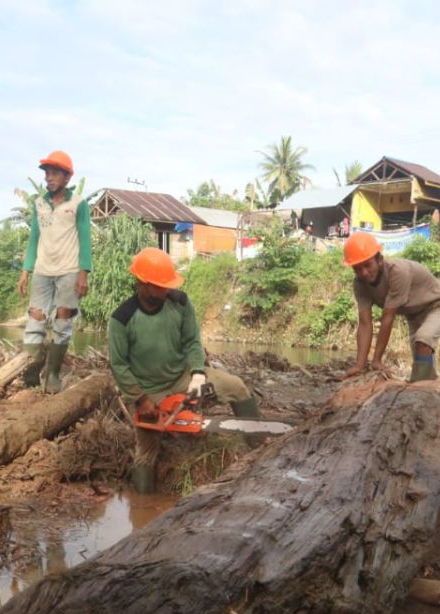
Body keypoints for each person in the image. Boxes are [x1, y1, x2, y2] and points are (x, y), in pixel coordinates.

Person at [109, 247, 260, 494]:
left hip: (182, 376)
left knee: (237, 387)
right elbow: (119, 365)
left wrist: (198, 374)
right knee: (145, 454)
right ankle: (143, 509)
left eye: (167, 284)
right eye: (159, 286)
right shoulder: (122, 318)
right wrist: (140, 398)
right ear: (142, 284)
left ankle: (258, 446)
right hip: (149, 389)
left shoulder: (180, 302)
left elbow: (192, 342)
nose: (165, 290)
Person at [16, 150, 92, 393]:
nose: (49, 178)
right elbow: (34, 239)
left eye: (55, 173)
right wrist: (26, 271)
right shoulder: (39, 204)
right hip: (42, 271)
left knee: (63, 320)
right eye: (47, 173)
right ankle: (30, 375)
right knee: (35, 319)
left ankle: (53, 375)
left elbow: (85, 239)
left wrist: (84, 273)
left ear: (67, 177)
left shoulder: (78, 204)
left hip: (69, 270)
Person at [341, 231, 440, 382]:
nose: (364, 272)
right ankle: (428, 385)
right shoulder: (359, 284)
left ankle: (419, 392)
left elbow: (387, 318)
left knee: (423, 340)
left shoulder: (398, 272)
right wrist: (359, 365)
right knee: (422, 364)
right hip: (414, 315)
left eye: (368, 265)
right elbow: (365, 324)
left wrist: (376, 360)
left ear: (380, 260)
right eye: (357, 268)